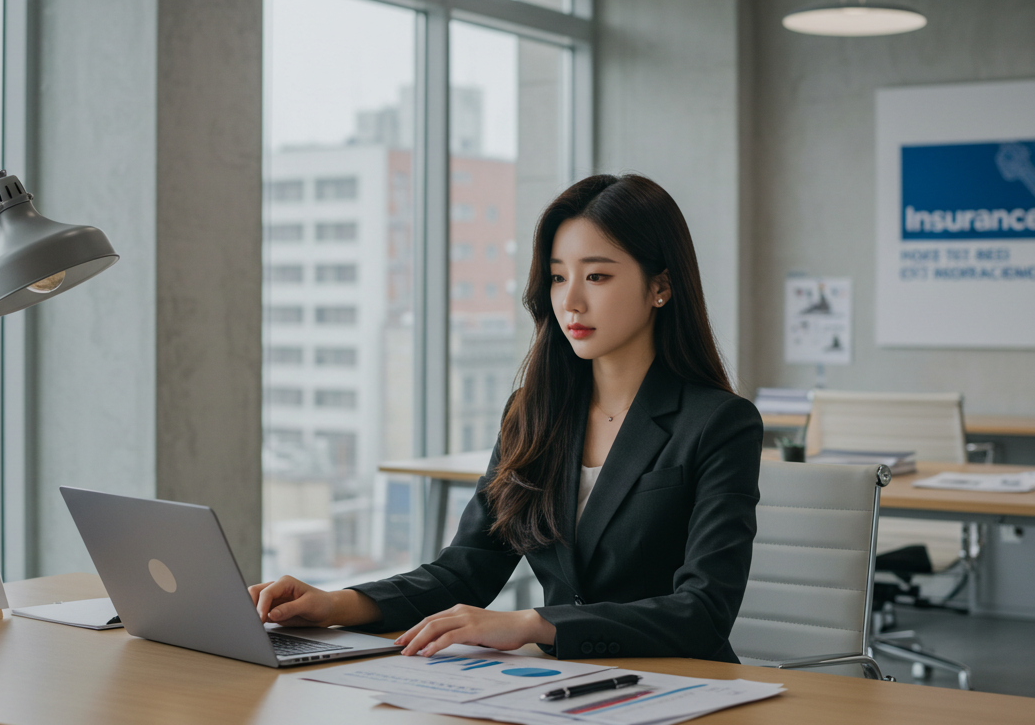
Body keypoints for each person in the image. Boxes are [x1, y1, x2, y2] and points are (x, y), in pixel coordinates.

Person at [250, 174, 763, 662]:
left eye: (598, 276)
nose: (572, 301)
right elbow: (464, 571)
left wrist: (536, 624)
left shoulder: (719, 423)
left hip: (685, 686)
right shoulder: (534, 413)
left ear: (661, 287)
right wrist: (334, 604)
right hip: (562, 686)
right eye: (559, 277)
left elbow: (704, 612)